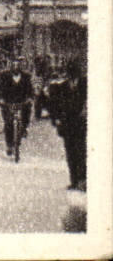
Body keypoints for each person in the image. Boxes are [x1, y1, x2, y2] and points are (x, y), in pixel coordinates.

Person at [47, 60, 86, 191]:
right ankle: (74, 180)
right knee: (70, 152)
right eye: (70, 73)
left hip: (82, 123)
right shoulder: (62, 87)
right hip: (68, 124)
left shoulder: (86, 85)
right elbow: (55, 105)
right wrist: (57, 119)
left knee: (81, 151)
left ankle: (82, 179)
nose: (72, 77)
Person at [0, 58, 33, 161]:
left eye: (18, 65)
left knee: (26, 113)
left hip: (22, 102)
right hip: (9, 102)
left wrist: (29, 98)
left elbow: (30, 90)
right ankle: (9, 145)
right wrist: (1, 99)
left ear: (20, 67)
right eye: (14, 65)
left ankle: (24, 128)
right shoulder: (5, 77)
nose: (16, 67)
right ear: (11, 67)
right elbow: (1, 89)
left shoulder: (26, 77)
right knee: (8, 122)